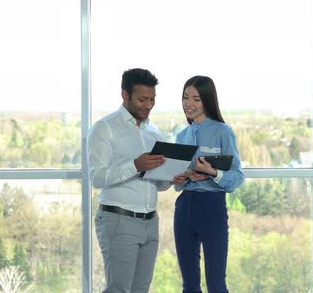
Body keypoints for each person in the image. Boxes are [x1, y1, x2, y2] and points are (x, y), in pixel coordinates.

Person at [87, 68, 172, 293]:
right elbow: (97, 177)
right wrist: (135, 165)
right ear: (125, 95)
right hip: (118, 220)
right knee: (118, 290)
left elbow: (158, 183)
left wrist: (172, 177)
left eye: (152, 99)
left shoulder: (154, 132)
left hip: (150, 222)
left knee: (141, 290)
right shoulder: (104, 128)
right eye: (142, 99)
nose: (148, 105)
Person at [172, 75, 245, 293]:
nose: (189, 104)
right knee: (190, 285)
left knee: (216, 284)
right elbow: (176, 184)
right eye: (186, 98)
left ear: (207, 101)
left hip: (212, 209)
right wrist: (183, 176)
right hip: (184, 209)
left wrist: (212, 172)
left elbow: (237, 176)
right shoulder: (181, 135)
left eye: (196, 99)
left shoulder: (223, 131)